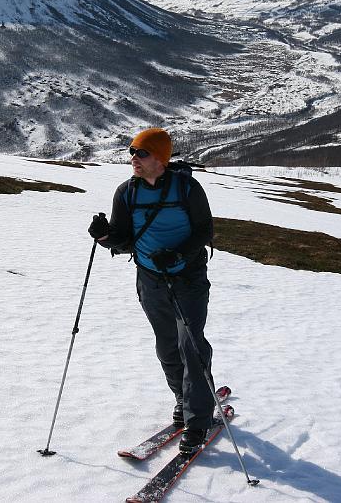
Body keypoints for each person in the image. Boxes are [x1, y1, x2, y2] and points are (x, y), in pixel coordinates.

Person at [88, 127, 216, 453]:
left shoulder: (187, 188)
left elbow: (204, 230)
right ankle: (181, 397)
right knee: (167, 346)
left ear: (160, 158)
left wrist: (178, 255)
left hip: (187, 278)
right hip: (150, 280)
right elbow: (124, 238)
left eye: (141, 153)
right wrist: (104, 237)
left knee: (191, 346)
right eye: (132, 151)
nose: (134, 158)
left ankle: (198, 421)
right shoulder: (127, 193)